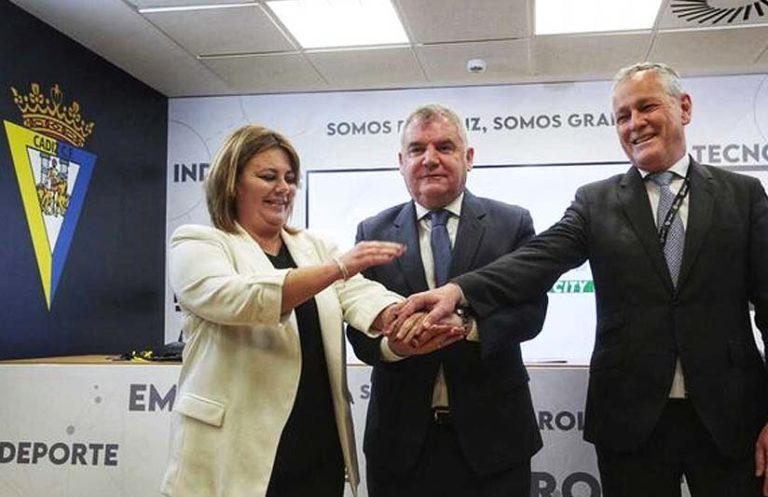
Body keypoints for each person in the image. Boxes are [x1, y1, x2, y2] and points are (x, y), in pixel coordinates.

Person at [391, 63, 768, 496]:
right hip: (630, 422)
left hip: (732, 418)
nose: (635, 123)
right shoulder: (596, 202)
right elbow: (534, 260)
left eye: (647, 107)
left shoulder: (743, 195)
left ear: (684, 108)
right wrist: (458, 290)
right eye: (622, 116)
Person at [160, 124, 419, 497]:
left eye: (290, 178)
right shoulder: (198, 242)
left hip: (315, 450)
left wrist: (402, 316)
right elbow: (240, 299)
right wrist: (338, 268)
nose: (284, 188)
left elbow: (359, 294)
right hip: (232, 454)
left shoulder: (315, 246)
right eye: (269, 177)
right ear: (231, 182)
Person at [347, 104, 548, 497]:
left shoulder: (512, 224)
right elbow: (358, 332)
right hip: (400, 447)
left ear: (468, 157)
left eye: (444, 147)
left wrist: (469, 328)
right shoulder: (372, 232)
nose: (430, 159)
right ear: (401, 162)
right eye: (417, 149)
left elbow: (531, 313)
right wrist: (393, 346)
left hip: (496, 443)